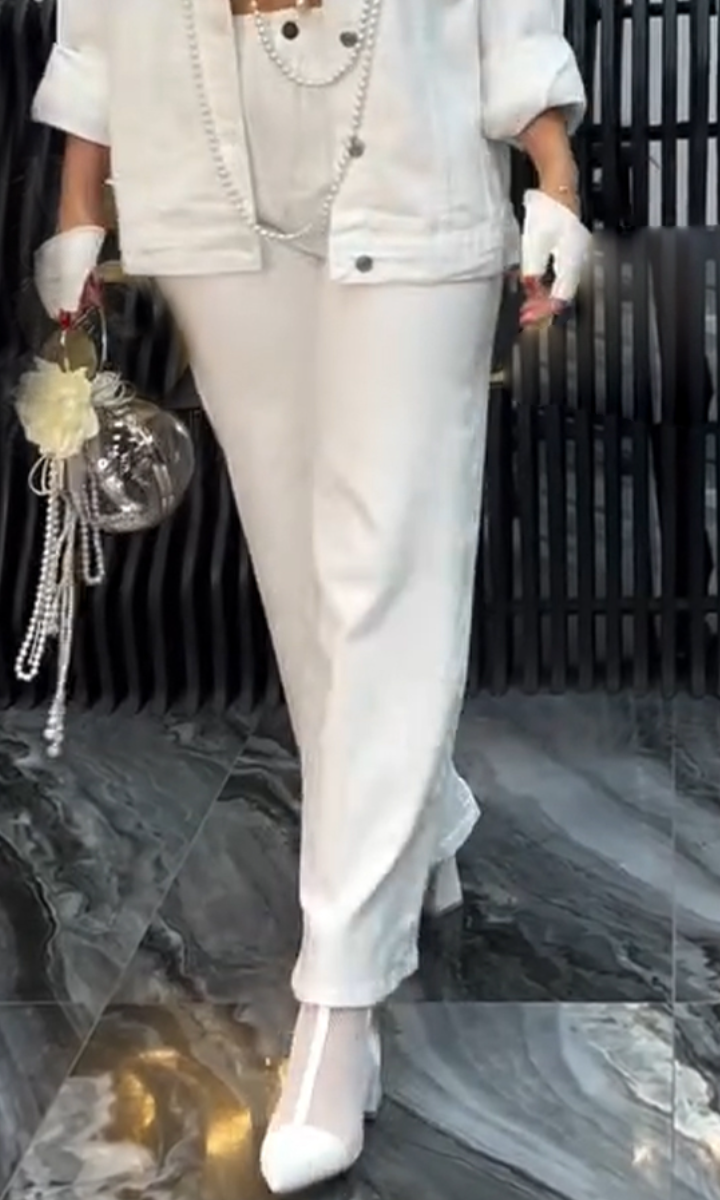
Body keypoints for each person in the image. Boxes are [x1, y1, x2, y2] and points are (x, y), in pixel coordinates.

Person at [32, 0, 591, 1192]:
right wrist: (81, 203)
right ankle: (422, 820)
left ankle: (339, 998)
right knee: (298, 576)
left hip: (412, 141)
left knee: (387, 570)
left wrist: (554, 176)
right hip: (200, 166)